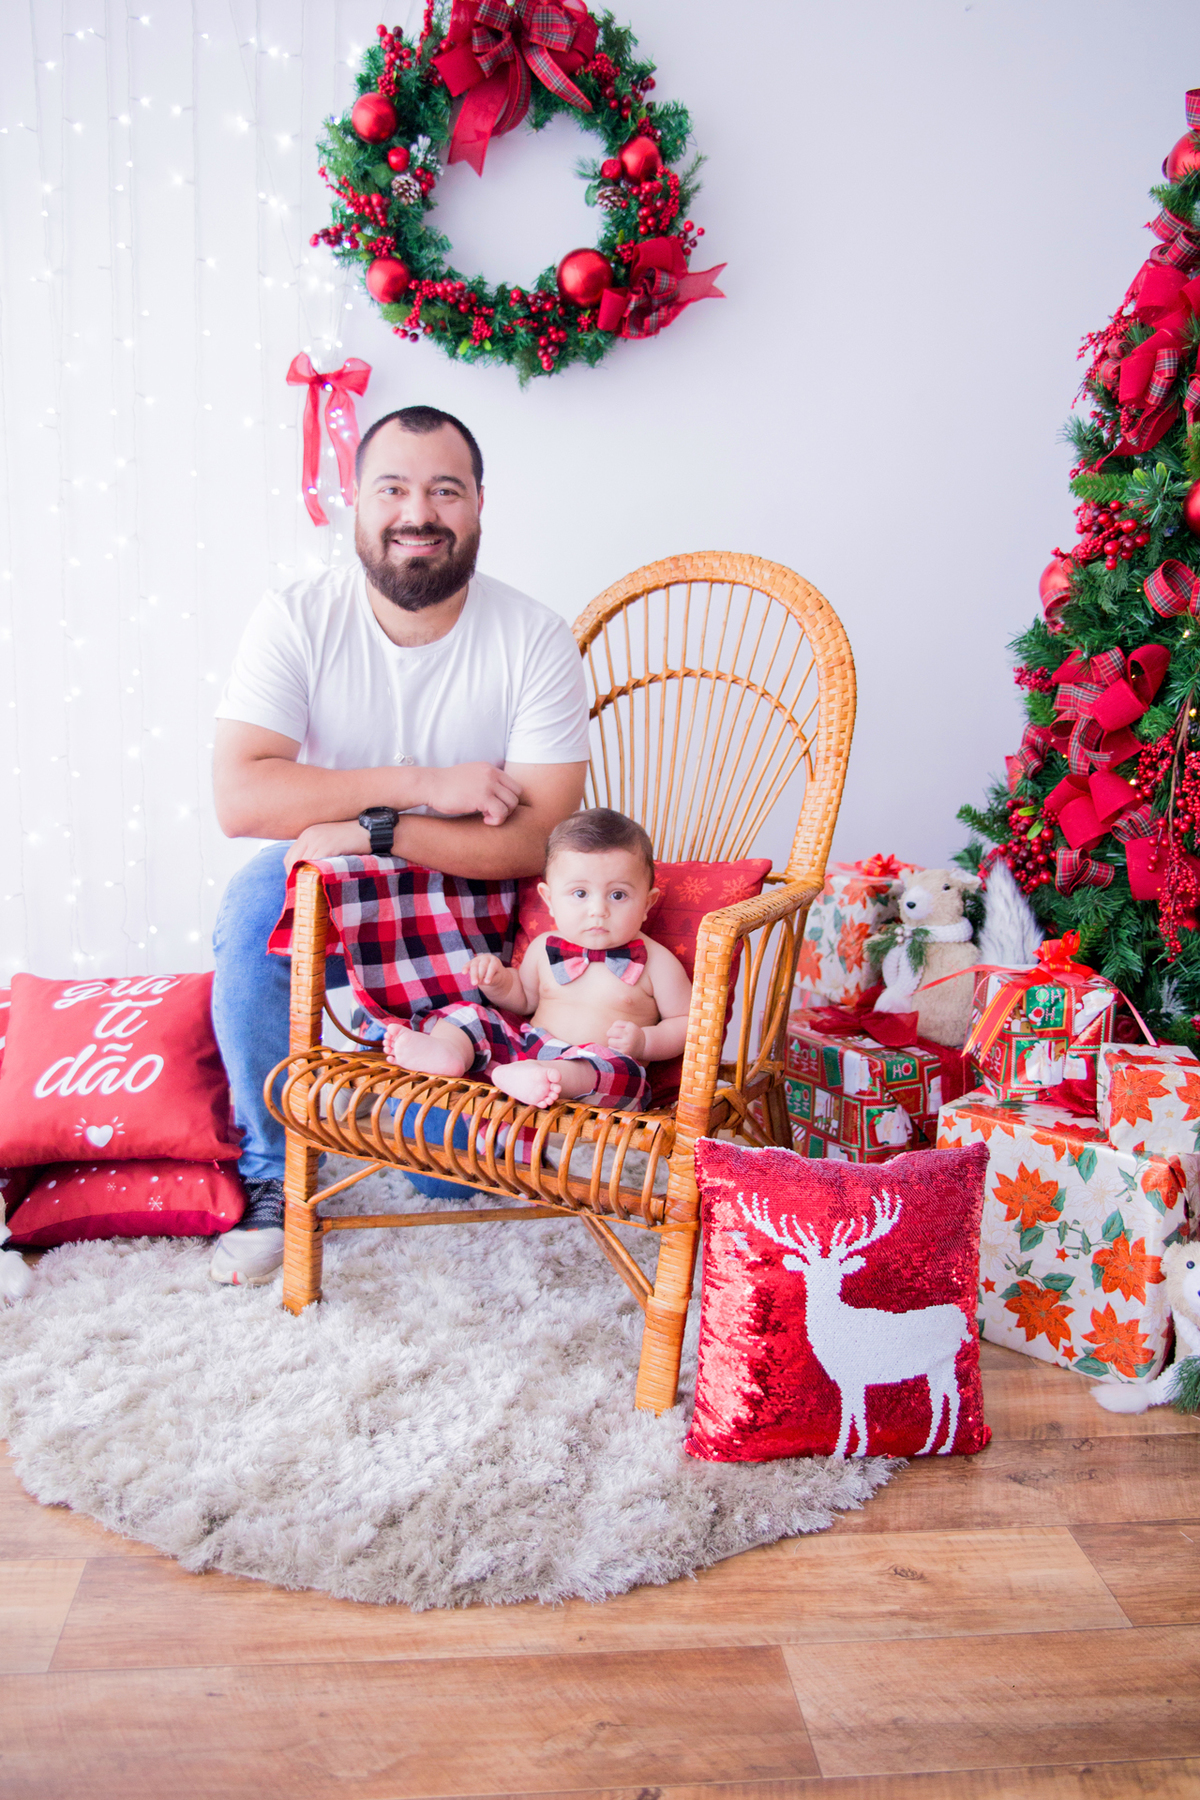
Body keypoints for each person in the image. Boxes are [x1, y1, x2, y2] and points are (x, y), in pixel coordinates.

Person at [208, 405, 590, 1286]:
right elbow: (241, 795)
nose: (418, 512)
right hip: (336, 884)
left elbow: (540, 842)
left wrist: (381, 827)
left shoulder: (533, 637)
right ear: (356, 503)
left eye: (444, 490)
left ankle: (429, 1102)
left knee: (447, 1180)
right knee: (250, 906)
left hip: (473, 897)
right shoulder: (296, 616)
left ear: (480, 506)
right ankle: (271, 1176)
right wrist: (423, 783)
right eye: (393, 488)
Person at [382, 808, 692, 1110]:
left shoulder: (657, 962)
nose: (598, 910)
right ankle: (448, 1051)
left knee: (622, 1074)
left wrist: (644, 1043)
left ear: (647, 902)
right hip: (529, 1048)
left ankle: (545, 1079)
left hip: (598, 1068)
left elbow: (686, 1023)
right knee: (471, 1013)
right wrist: (498, 981)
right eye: (580, 894)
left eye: (618, 895)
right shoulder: (545, 947)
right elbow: (524, 1000)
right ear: (549, 900)